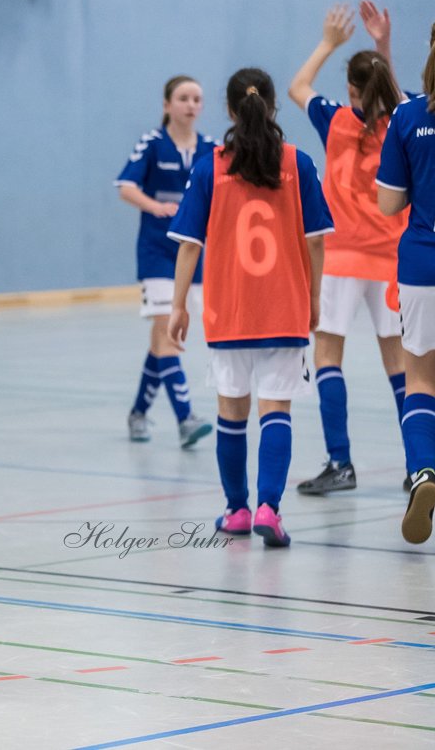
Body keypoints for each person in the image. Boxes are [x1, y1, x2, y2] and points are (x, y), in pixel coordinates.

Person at [168, 68, 334, 548]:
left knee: (231, 411)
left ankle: (237, 510)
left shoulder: (210, 166)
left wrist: (178, 305)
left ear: (229, 109)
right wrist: (315, 296)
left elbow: (188, 246)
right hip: (284, 306)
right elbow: (316, 242)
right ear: (273, 106)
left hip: (229, 309)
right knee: (276, 408)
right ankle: (269, 507)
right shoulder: (297, 163)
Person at [287, 1, 409, 495]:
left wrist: (328, 42)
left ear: (352, 91)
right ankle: (417, 466)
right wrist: (383, 46)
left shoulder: (336, 122)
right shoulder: (404, 121)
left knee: (329, 359)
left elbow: (297, 86)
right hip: (392, 262)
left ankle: (341, 462)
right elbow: (397, 98)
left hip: (339, 260)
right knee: (401, 367)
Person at [376, 10, 435, 553]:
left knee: (422, 382)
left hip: (424, 269)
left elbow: (389, 203)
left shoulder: (408, 117)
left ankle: (421, 474)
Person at [116, 76, 216, 447]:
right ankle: (186, 417)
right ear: (166, 104)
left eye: (197, 99)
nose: (191, 105)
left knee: (162, 339)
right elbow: (125, 187)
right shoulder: (153, 144)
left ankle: (138, 413)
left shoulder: (211, 148)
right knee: (167, 333)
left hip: (193, 258)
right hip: (158, 254)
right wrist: (157, 207)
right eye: (183, 98)